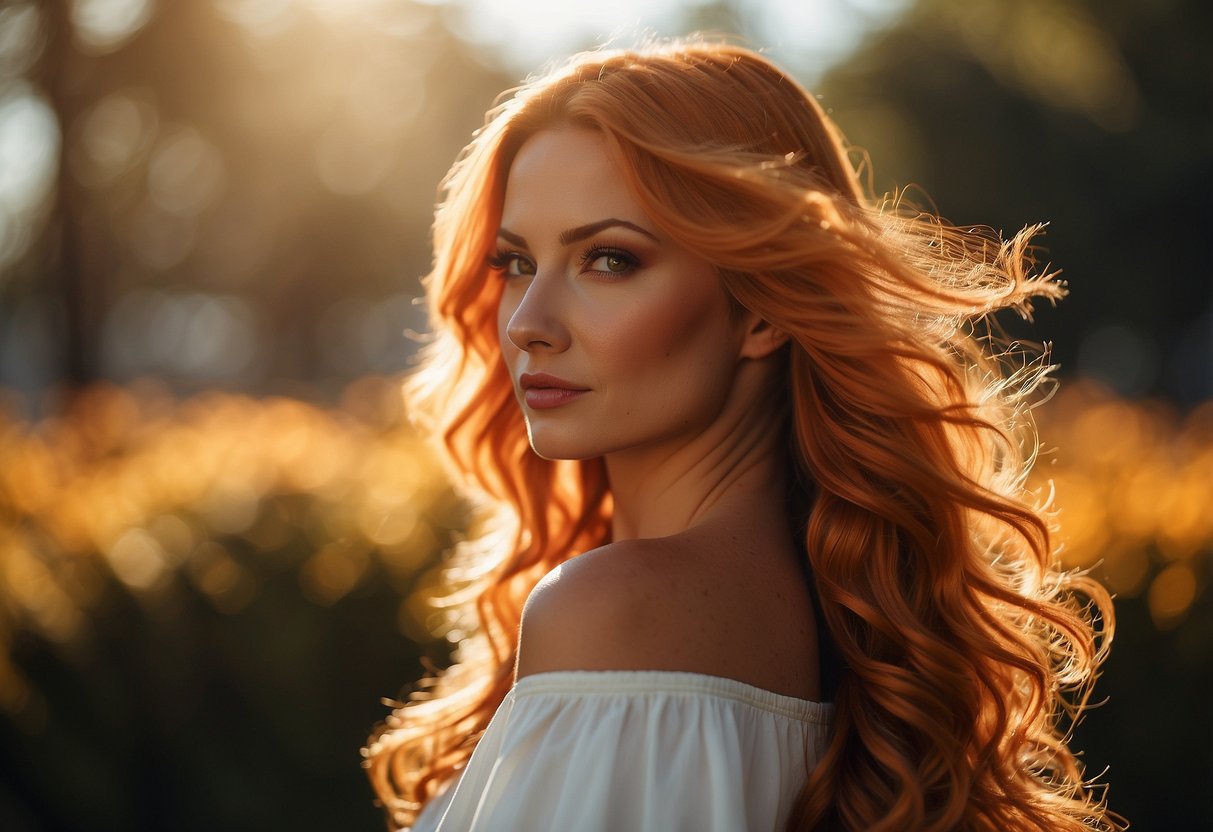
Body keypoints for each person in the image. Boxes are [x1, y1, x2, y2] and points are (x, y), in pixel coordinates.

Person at [363, 38, 1117, 831]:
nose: (527, 324)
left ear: (762, 307)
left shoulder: (613, 613)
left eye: (608, 259)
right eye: (515, 262)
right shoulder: (845, 628)